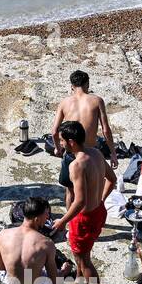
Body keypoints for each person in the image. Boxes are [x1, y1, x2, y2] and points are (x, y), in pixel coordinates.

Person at [50, 121, 115, 282]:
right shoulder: (96, 153)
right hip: (99, 211)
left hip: (84, 219)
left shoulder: (77, 165)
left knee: (84, 261)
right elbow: (112, 179)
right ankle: (79, 281)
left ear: (71, 142)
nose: (61, 144)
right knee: (81, 255)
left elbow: (79, 201)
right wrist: (100, 199)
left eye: (62, 141)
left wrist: (62, 221)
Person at [51, 71, 117, 205]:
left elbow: (54, 131)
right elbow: (105, 129)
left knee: (71, 191)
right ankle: (99, 204)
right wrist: (113, 153)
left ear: (72, 86)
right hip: (91, 153)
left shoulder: (64, 102)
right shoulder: (97, 101)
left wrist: (58, 149)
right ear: (87, 84)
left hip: (71, 153)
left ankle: (69, 223)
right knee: (102, 183)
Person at [0, 197, 71, 284]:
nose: (48, 217)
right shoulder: (46, 244)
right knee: (57, 269)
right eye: (46, 214)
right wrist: (64, 272)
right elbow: (54, 280)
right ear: (37, 219)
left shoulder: (3, 234)